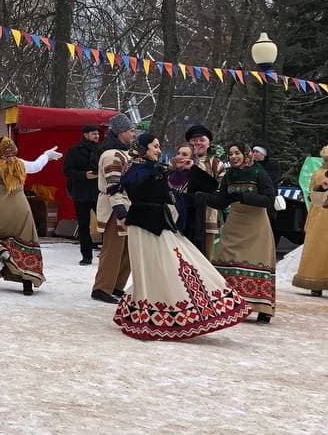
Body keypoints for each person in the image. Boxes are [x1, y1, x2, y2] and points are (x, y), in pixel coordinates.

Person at [112, 133, 251, 340]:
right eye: (155, 146)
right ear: (143, 148)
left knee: (184, 262)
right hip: (146, 225)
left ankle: (193, 307)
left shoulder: (170, 171)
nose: (159, 150)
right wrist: (170, 170)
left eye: (159, 147)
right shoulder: (139, 169)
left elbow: (210, 187)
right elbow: (138, 184)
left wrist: (191, 169)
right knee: (155, 268)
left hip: (172, 224)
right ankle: (153, 312)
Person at [0, 137, 61, 294]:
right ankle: (27, 283)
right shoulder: (21, 164)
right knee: (25, 242)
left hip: (1, 209)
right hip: (22, 208)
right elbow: (37, 166)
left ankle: (2, 253)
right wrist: (47, 155)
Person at [212, 141, 277, 323]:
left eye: (237, 153)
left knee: (258, 261)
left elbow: (269, 198)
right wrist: (205, 198)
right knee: (225, 257)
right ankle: (229, 302)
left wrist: (244, 197)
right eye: (230, 153)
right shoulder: (230, 174)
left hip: (255, 225)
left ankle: (262, 307)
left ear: (246, 153)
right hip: (235, 223)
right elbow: (222, 199)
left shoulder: (258, 172)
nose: (233, 157)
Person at [91, 114, 137, 304]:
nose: (133, 133)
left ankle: (117, 285)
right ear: (120, 132)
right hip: (114, 207)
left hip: (127, 204)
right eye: (130, 130)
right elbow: (114, 184)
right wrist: (120, 210)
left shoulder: (125, 153)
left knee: (127, 249)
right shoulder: (111, 155)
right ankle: (102, 287)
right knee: (113, 249)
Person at [184, 124, 226, 258]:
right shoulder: (181, 160)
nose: (197, 143)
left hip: (208, 218)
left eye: (201, 139)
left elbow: (220, 190)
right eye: (193, 140)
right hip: (185, 217)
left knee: (205, 259)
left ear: (208, 143)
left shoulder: (216, 163)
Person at [63, 124, 102, 265]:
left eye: (97, 133)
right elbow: (67, 171)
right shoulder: (74, 151)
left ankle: (107, 253)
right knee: (84, 225)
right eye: (93, 134)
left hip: (98, 192)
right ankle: (86, 256)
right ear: (85, 135)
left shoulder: (101, 150)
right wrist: (84, 175)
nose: (97, 136)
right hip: (81, 193)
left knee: (104, 223)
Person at [292, 144, 328, 296]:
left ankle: (315, 284)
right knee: (319, 249)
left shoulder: (318, 173)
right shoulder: (320, 175)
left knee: (317, 249)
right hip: (320, 217)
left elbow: (311, 195)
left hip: (318, 217)